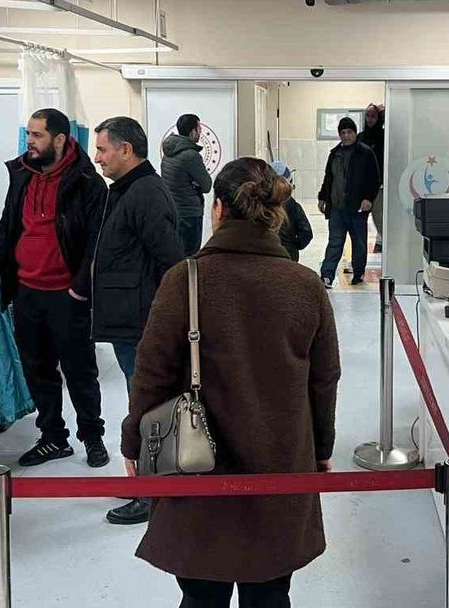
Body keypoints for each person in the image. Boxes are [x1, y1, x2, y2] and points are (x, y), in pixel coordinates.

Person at [122, 157, 341, 608]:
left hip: (198, 465)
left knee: (201, 594)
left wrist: (134, 443)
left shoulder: (185, 280)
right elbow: (323, 380)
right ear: (275, 213)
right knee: (271, 593)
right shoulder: (305, 285)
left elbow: (152, 374)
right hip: (281, 465)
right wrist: (321, 449)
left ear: (218, 208)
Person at [0, 108, 109, 469]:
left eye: (37, 135)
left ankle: (92, 437)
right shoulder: (22, 176)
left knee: (80, 371)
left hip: (67, 296)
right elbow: (8, 229)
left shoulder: (87, 182)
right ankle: (53, 437)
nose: (29, 141)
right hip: (27, 292)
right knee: (38, 370)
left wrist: (80, 289)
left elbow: (97, 242)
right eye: (28, 133)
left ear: (59, 139)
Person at [92, 116, 185, 526]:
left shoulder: (146, 193)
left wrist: (165, 322)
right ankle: (144, 480)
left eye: (102, 149)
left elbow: (171, 262)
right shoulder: (127, 190)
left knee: (147, 406)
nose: (98, 158)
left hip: (141, 321)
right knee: (140, 402)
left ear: (126, 150)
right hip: (128, 317)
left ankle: (153, 492)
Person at [317, 116, 380, 288]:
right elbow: (329, 178)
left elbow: (374, 179)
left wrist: (368, 198)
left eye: (349, 132)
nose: (346, 135)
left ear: (355, 133)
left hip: (357, 208)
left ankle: (358, 274)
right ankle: (327, 275)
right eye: (343, 132)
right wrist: (323, 197)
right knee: (335, 242)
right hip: (337, 208)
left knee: (359, 243)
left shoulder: (365, 153)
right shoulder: (334, 154)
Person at [161, 113, 214, 255]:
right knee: (190, 256)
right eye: (199, 128)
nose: (200, 132)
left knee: (176, 255)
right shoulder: (191, 156)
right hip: (189, 214)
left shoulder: (168, 152)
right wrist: (194, 183)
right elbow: (207, 185)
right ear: (192, 131)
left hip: (173, 211)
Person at [273, 159, 313, 262]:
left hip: (268, 254)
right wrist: (294, 245)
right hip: (289, 254)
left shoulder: (261, 204)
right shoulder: (294, 206)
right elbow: (306, 233)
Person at [358, 103, 385, 254]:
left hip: (379, 188)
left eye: (373, 116)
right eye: (367, 116)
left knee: (379, 219)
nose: (370, 119)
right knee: (359, 222)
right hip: (361, 188)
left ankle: (381, 243)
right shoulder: (361, 138)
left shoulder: (384, 137)